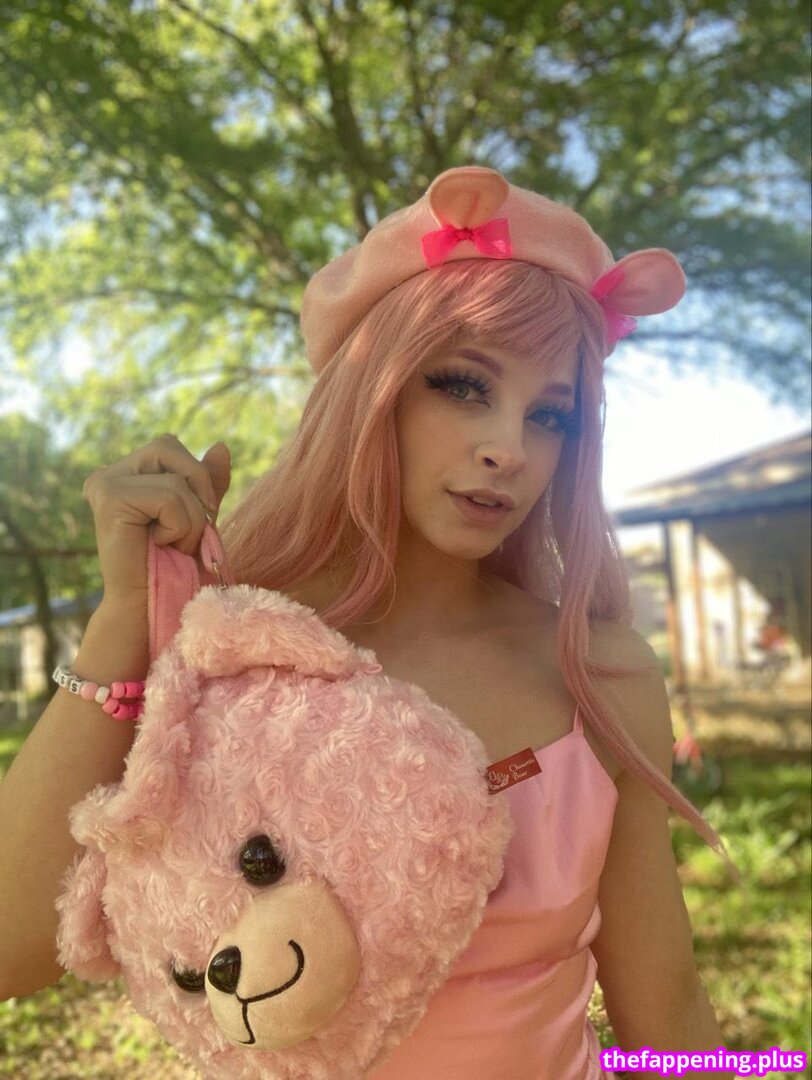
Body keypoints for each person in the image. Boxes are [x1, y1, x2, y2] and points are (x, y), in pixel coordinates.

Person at [0, 166, 736, 1079]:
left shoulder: (600, 670)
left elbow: (666, 1013)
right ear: (368, 388)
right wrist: (123, 624)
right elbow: (13, 953)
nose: (510, 447)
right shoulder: (223, 646)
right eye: (464, 385)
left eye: (552, 415)